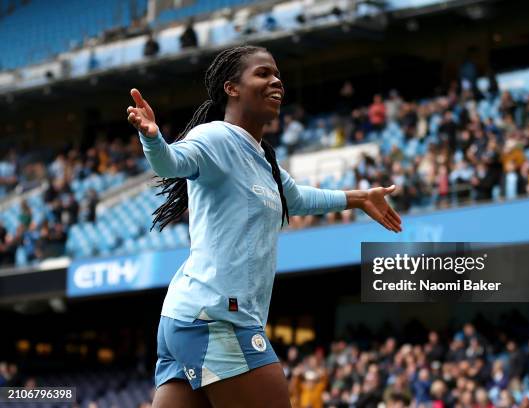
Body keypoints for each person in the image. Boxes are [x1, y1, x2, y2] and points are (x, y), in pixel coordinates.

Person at [126, 45, 402, 408]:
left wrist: (360, 198)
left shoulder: (263, 158)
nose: (276, 81)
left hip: (189, 318)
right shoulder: (215, 137)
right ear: (232, 88)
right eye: (263, 73)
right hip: (218, 318)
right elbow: (171, 162)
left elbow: (299, 198)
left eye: (277, 75)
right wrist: (151, 137)